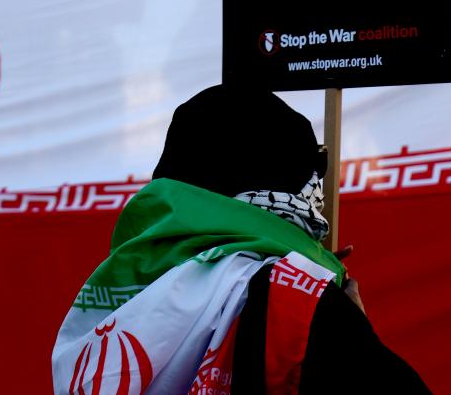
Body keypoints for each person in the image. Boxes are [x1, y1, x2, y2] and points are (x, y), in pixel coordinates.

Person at [52, 84, 430, 394]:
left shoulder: (115, 293)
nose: (317, 191)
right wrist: (350, 323)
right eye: (309, 173)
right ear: (276, 177)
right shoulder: (294, 299)